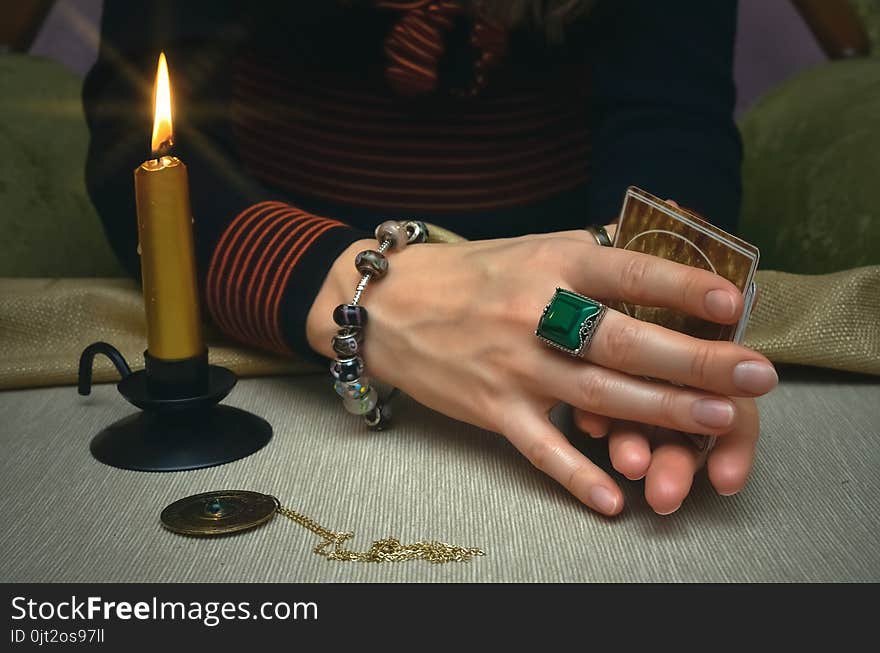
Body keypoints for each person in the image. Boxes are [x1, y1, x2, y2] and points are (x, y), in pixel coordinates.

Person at [84, 0, 777, 517]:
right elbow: (142, 134)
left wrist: (646, 312)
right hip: (261, 294)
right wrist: (354, 294)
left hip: (569, 299)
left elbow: (672, 115)